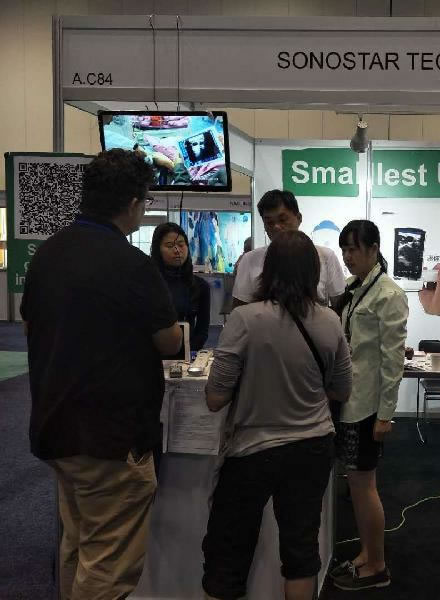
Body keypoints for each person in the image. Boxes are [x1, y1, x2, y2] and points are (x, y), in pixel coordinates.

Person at [20, 149, 183, 599]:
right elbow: (170, 341)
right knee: (109, 564)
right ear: (132, 202)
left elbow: (31, 325)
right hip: (110, 438)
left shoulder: (48, 254)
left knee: (77, 545)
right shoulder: (131, 264)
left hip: (55, 426)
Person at [202, 230, 352, 600]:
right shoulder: (330, 321)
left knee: (227, 553)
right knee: (301, 552)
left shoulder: (244, 319)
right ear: (313, 272)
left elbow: (216, 397)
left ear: (266, 271)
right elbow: (342, 390)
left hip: (251, 450)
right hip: (313, 446)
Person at [329, 220, 409, 591]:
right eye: (344, 250)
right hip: (347, 401)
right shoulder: (352, 287)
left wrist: (386, 415)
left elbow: (393, 360)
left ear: (374, 249)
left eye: (354, 249)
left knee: (364, 486)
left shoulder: (389, 294)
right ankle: (366, 552)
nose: (348, 257)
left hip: (367, 407)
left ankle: (377, 565)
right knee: (357, 485)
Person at [232, 190, 345, 308]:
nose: (276, 227)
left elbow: (340, 306)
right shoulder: (250, 260)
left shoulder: (326, 256)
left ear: (299, 218)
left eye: (282, 220)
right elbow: (239, 309)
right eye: (269, 222)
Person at [150, 222, 211, 353]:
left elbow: (202, 330)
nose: (177, 250)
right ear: (157, 249)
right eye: (169, 245)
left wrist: (188, 352)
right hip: (152, 353)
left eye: (181, 244)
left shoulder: (201, 286)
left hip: (188, 353)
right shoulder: (148, 283)